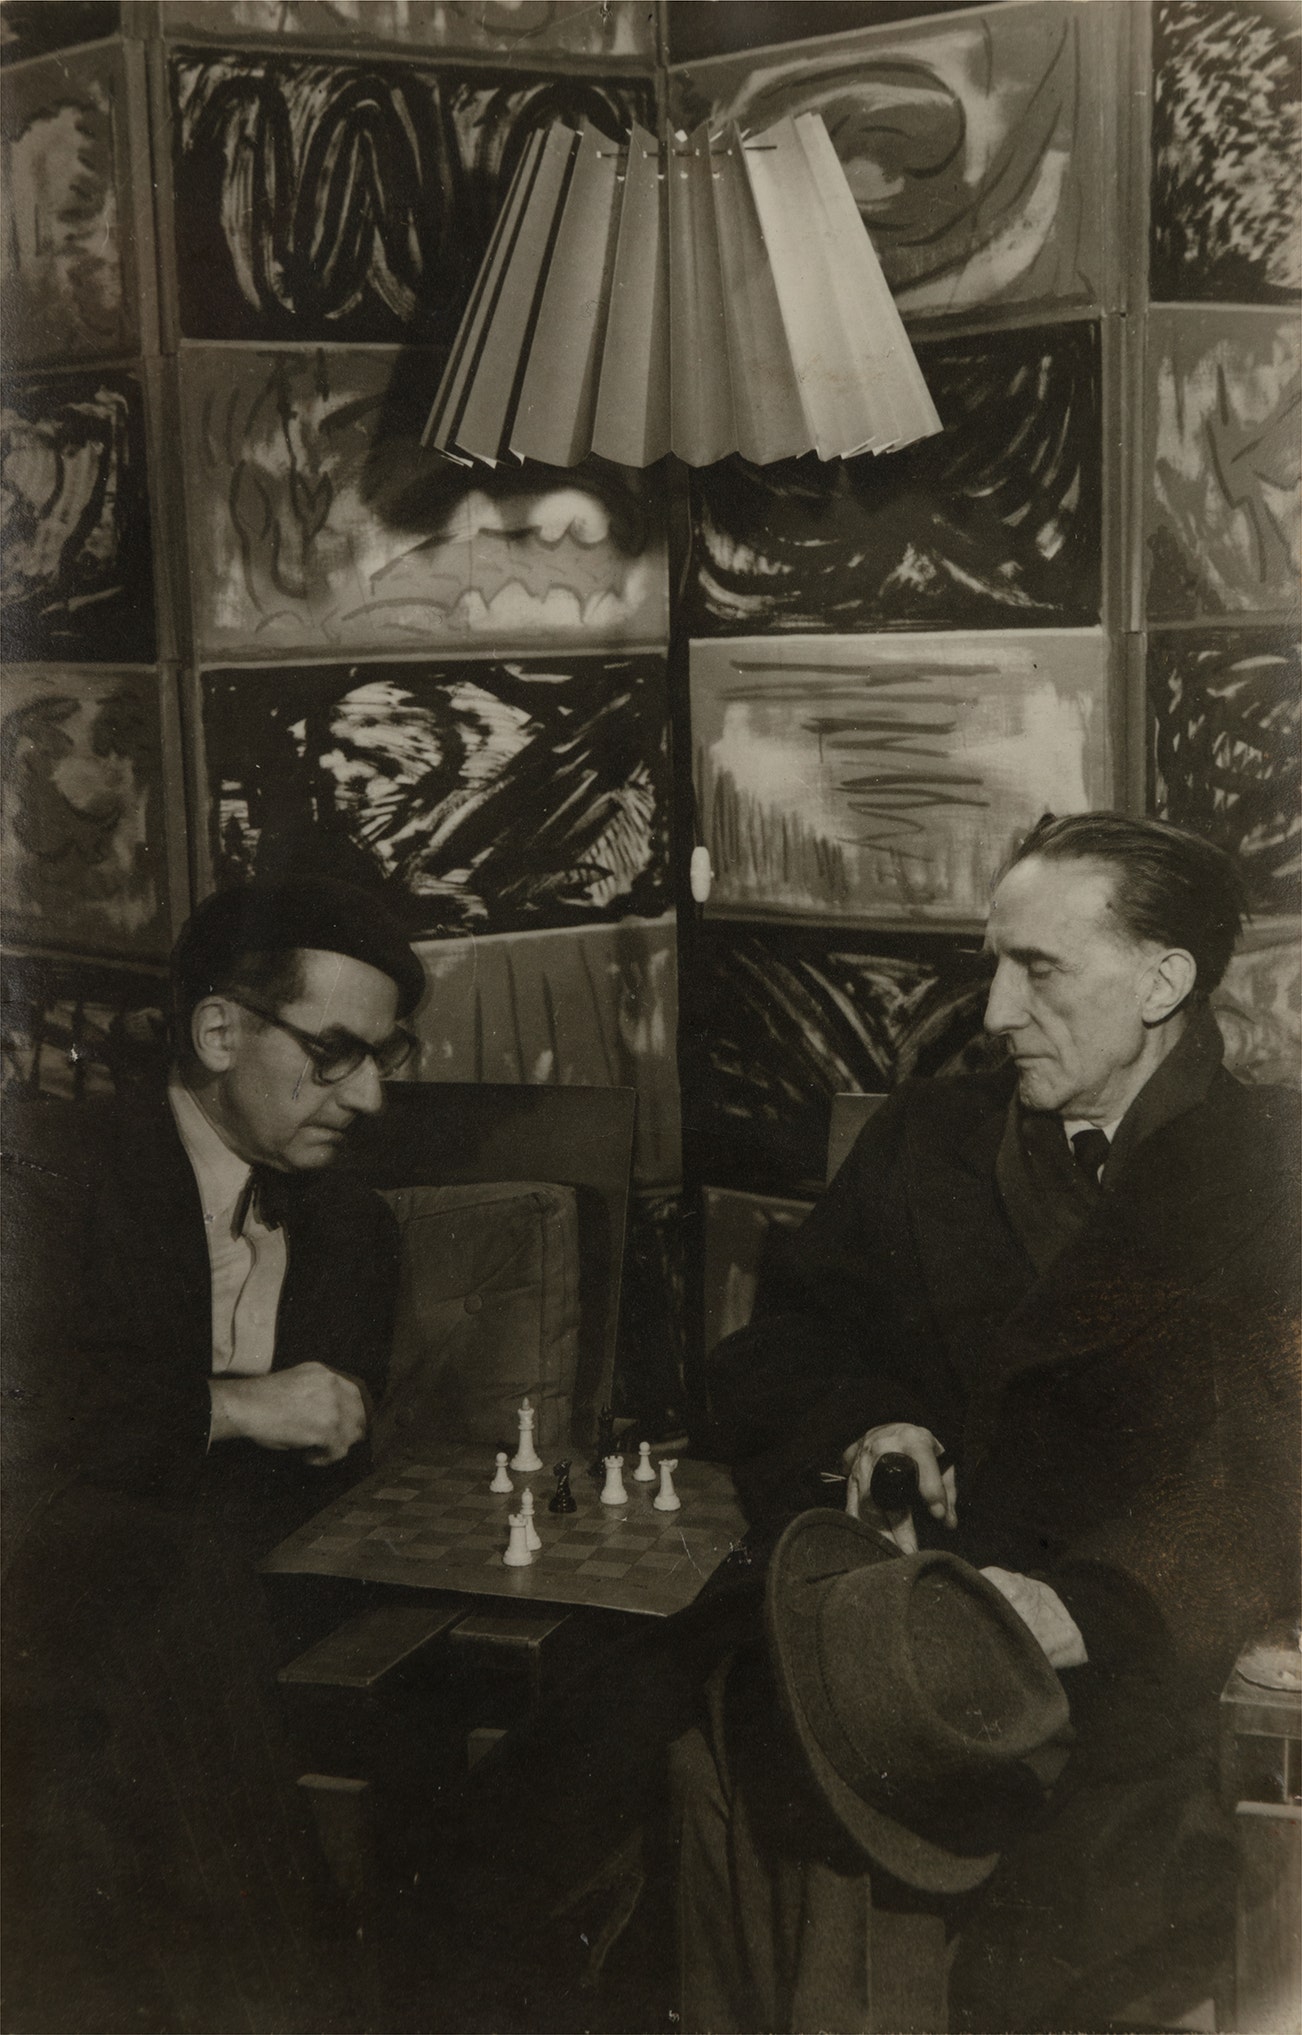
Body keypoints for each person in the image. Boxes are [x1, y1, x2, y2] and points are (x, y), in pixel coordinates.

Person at [425, 814, 1298, 2035]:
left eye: (1040, 969)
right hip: (886, 1624)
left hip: (1125, 1671)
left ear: (1163, 983)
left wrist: (1099, 1607)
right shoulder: (930, 1137)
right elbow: (779, 1346)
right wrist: (870, 1425)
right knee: (642, 1775)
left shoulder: (1274, 1171)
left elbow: (1270, 1469)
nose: (995, 1011)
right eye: (993, 965)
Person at [1, 876, 425, 2035]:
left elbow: (332, 1445)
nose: (370, 1095)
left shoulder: (352, 1227)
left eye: (386, 1056)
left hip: (225, 1613)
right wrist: (232, 1410)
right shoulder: (43, 1170)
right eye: (335, 1052)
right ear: (220, 1031)